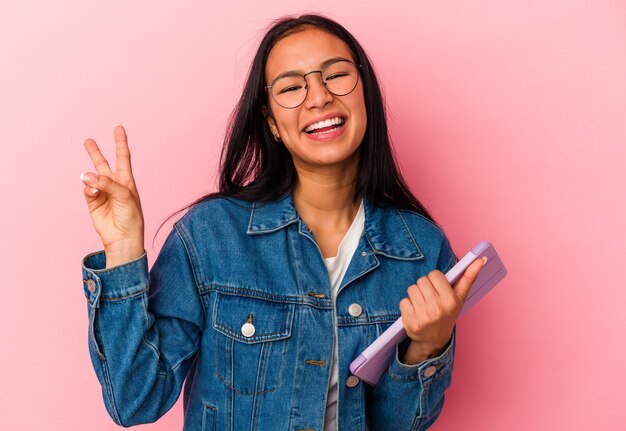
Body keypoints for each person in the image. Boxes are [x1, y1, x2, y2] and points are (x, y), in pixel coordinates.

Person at [79, 14, 485, 431]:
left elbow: (398, 425)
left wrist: (428, 346)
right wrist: (124, 252)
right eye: (292, 87)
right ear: (271, 122)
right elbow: (134, 400)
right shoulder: (210, 237)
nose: (318, 97)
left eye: (336, 75)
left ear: (364, 93)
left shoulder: (420, 248)